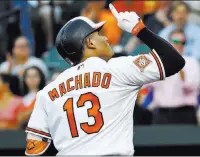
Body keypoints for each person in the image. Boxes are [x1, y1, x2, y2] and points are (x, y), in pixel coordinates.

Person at [24, 4, 185, 155]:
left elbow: (34, 148)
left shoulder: (48, 92)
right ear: (89, 42)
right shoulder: (117, 69)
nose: (106, 37)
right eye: (99, 33)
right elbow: (174, 60)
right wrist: (139, 29)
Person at [149, 30, 200, 125]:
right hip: (162, 113)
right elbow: (147, 84)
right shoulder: (158, 63)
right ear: (169, 42)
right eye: (176, 42)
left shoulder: (192, 62)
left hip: (185, 112)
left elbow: (193, 87)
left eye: (183, 42)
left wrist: (180, 71)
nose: (180, 45)